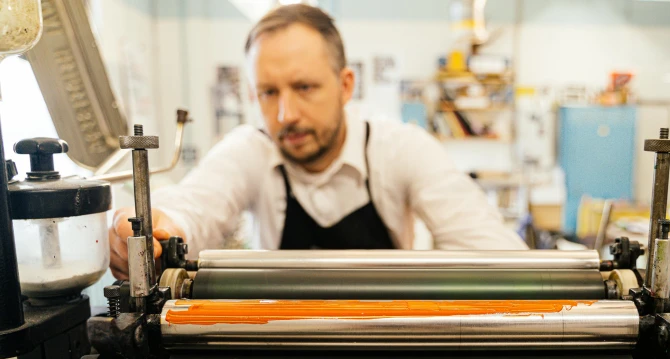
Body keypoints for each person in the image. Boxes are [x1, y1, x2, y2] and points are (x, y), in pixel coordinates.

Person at [109, 4, 525, 279]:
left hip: (392, 349)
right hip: (288, 358)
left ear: (345, 86)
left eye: (304, 87)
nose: (286, 114)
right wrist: (153, 229)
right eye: (268, 93)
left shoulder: (401, 149)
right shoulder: (252, 150)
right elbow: (195, 206)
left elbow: (497, 258)